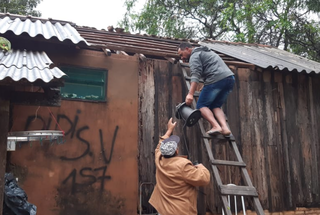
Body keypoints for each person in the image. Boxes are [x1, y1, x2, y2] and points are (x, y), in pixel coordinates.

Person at [149, 118, 210, 215]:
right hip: (180, 211)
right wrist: (200, 166)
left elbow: (159, 146)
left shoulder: (159, 159)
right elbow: (204, 179)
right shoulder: (183, 165)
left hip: (163, 210)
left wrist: (169, 130)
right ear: (176, 151)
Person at [177, 42, 235, 136]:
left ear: (187, 49)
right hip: (229, 78)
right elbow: (213, 68)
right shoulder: (208, 52)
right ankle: (225, 127)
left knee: (201, 106)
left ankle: (216, 126)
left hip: (216, 79)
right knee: (216, 106)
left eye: (181, 54)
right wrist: (206, 84)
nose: (181, 58)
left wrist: (190, 94)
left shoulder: (194, 55)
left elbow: (195, 75)